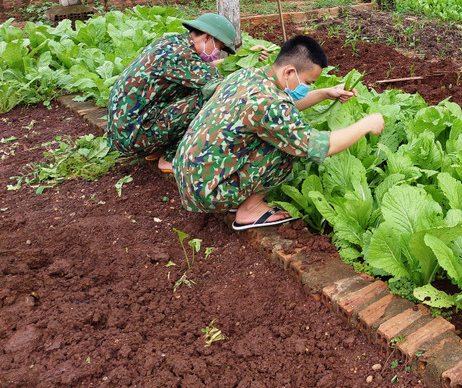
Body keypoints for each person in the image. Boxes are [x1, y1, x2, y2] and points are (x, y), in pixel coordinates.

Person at [172, 34, 384, 231]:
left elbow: (279, 109)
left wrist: (326, 93)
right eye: (308, 82)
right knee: (289, 147)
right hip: (206, 193)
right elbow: (320, 146)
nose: (308, 88)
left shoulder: (248, 75)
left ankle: (233, 193)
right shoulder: (271, 105)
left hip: (188, 175)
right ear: (289, 72)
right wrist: (365, 124)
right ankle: (249, 210)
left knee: (280, 133)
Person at [106, 12, 237, 173]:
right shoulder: (180, 56)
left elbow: (202, 69)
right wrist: (255, 69)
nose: (217, 53)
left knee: (190, 88)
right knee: (208, 96)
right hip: (133, 138)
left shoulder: (171, 43)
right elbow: (220, 84)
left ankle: (156, 149)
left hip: (126, 130)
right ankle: (170, 157)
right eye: (219, 48)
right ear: (208, 37)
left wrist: (244, 58)